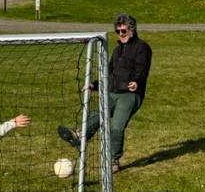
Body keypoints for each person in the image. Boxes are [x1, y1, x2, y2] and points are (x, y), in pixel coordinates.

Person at [58, 12, 151, 173]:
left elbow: (142, 68)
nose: (121, 34)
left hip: (130, 94)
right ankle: (79, 136)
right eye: (118, 31)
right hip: (113, 91)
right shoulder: (117, 51)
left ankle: (114, 160)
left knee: (116, 127)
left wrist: (136, 81)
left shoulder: (142, 47)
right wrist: (94, 85)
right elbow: (109, 73)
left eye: (123, 30)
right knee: (99, 113)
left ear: (132, 30)